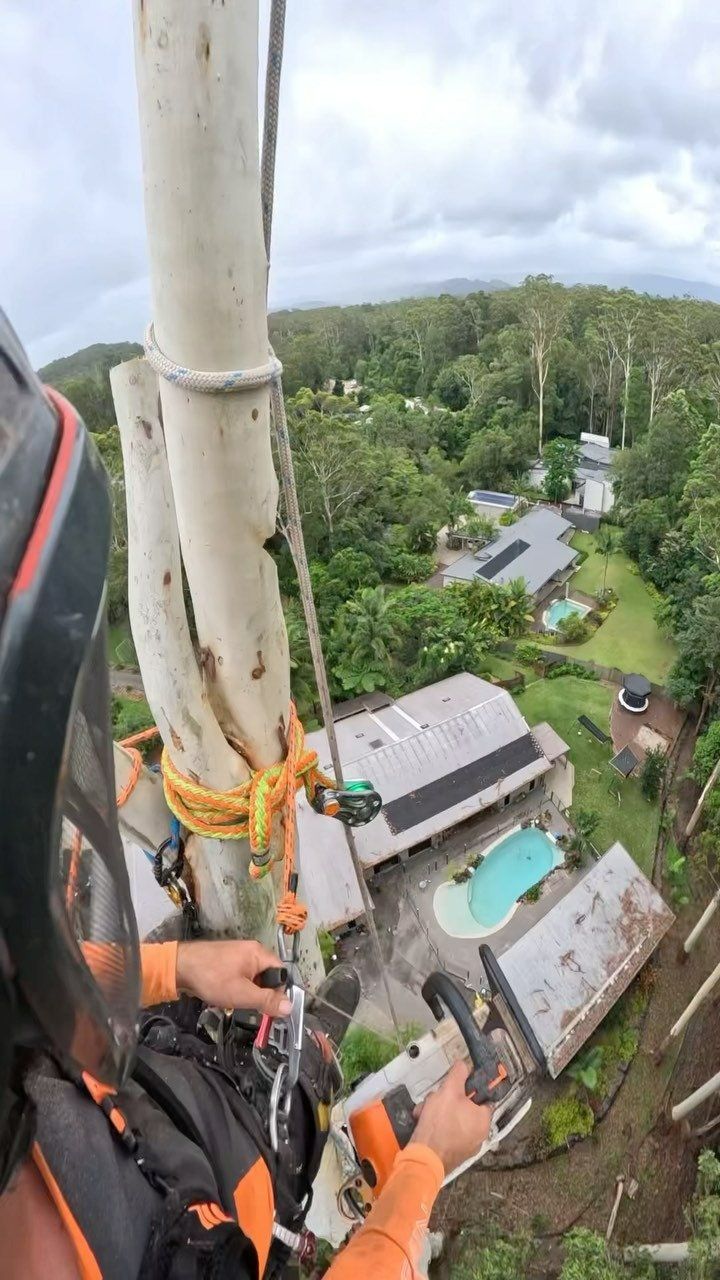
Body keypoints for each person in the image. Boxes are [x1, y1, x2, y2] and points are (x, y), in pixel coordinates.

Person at [0, 309, 491, 1279]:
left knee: (263, 1028)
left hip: (166, 1096)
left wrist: (170, 974)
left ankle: (267, 1075)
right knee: (297, 1101)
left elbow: (25, 988)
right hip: (236, 1193)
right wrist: (422, 1170)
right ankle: (293, 1101)